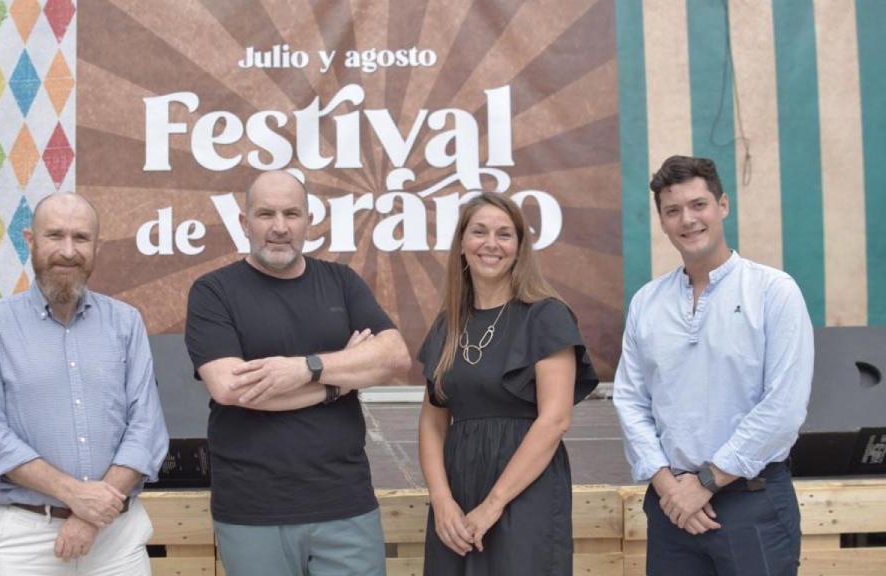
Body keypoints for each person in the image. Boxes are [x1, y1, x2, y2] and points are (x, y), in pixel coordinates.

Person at [184, 170, 411, 576]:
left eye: (291, 213)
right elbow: (231, 387)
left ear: (309, 220)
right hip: (252, 508)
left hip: (345, 503)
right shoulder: (213, 291)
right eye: (265, 214)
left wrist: (306, 368)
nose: (279, 227)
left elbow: (394, 356)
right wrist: (338, 382)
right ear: (243, 222)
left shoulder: (341, 282)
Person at [613, 155, 813, 575]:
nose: (687, 219)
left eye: (698, 205)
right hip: (672, 512)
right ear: (663, 221)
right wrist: (672, 489)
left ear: (722, 205)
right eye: (673, 211)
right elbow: (631, 401)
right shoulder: (647, 303)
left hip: (752, 503)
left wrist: (706, 482)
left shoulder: (773, 292)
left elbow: (784, 409)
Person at [0, 193, 170, 575]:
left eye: (81, 238)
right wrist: (75, 496)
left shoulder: (125, 322)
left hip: (116, 537)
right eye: (55, 236)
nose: (68, 251)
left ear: (96, 246)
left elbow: (147, 430)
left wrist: (90, 516)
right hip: (25, 538)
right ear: (30, 241)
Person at [417, 193, 598, 575]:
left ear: (519, 248)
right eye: (479, 232)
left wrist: (493, 503)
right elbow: (433, 421)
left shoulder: (546, 315)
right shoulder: (448, 325)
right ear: (463, 244)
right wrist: (442, 500)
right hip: (458, 491)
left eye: (504, 234)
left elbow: (555, 421)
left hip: (523, 492)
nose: (491, 244)